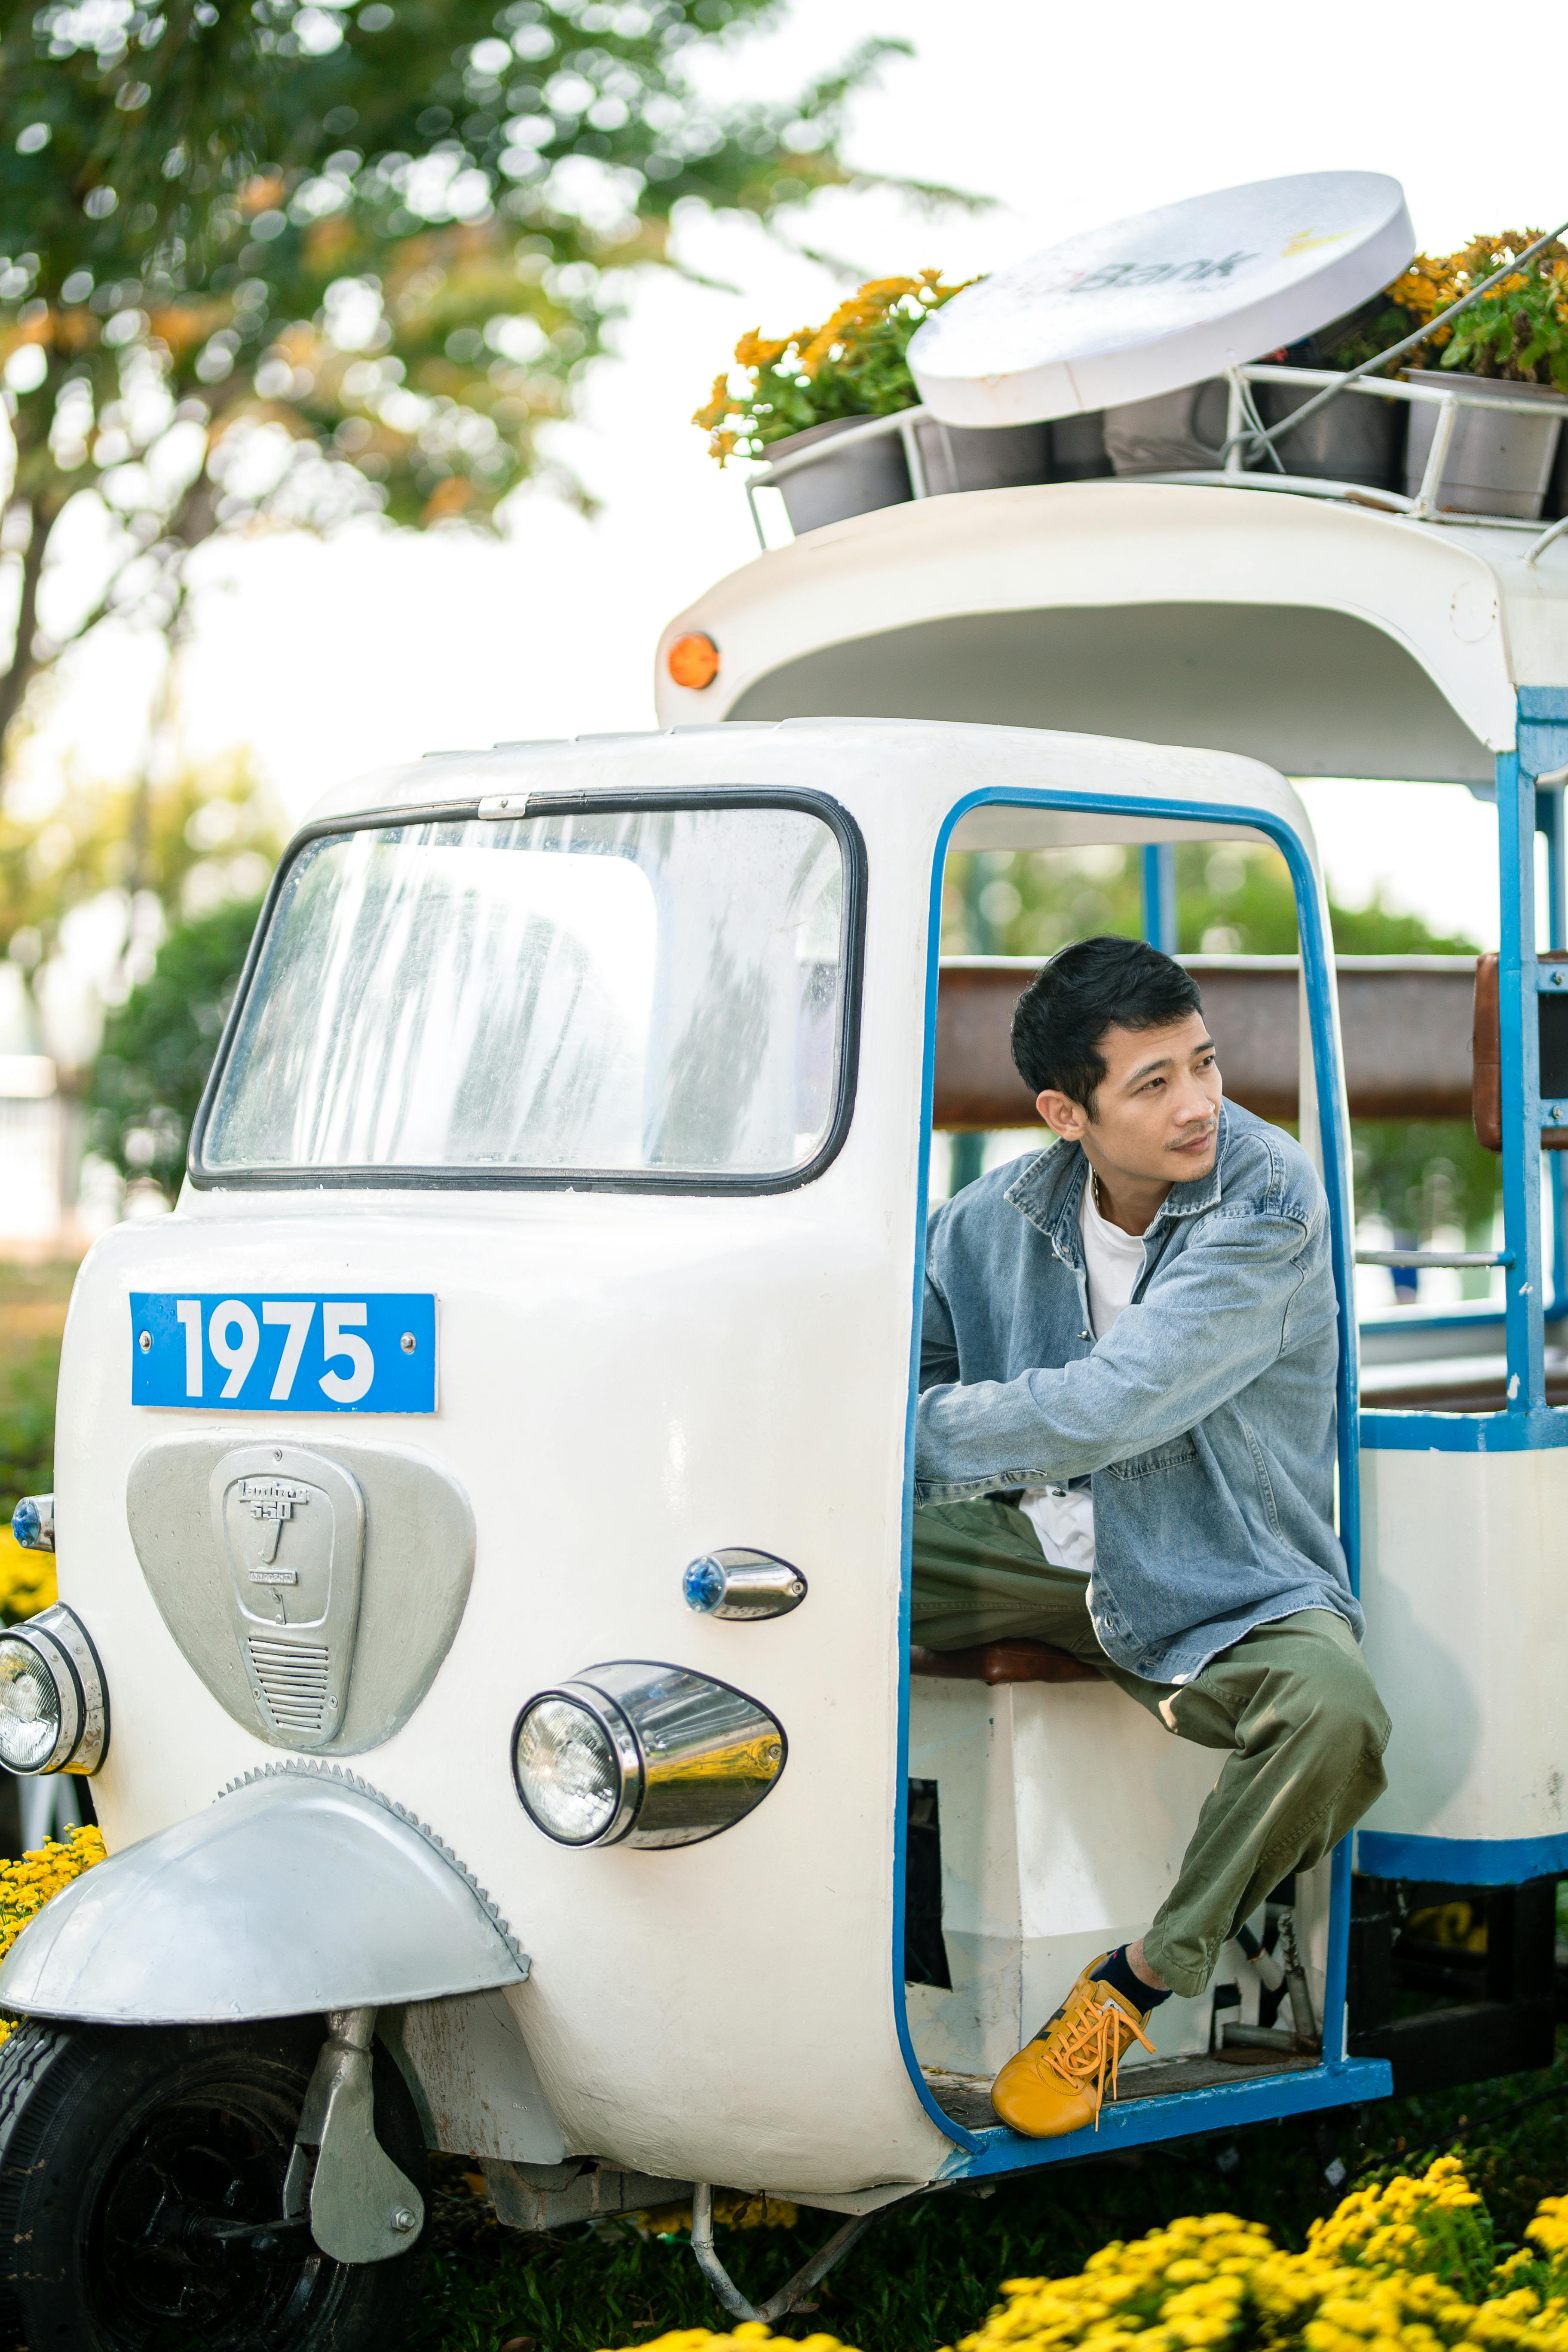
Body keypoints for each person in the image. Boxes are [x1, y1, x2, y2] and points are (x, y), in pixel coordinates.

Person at [913, 934, 1389, 2139]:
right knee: (783, 1575)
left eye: (1206, 1064)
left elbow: (1116, 1403)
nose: (1201, 1106)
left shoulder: (1268, 1193)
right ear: (1066, 1113)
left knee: (1334, 1714)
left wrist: (915, 1438)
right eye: (1156, 1082)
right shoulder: (984, 1220)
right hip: (1025, 1552)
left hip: (1216, 1573)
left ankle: (1134, 1985)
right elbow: (904, 1382)